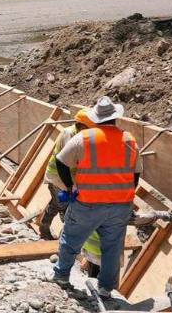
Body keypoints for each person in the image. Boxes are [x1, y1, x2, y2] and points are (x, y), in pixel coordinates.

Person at [50, 96, 141, 302]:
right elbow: (135, 175)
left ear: (96, 119)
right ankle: (105, 289)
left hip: (88, 202)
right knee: (112, 248)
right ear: (116, 118)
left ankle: (62, 277)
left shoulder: (85, 137)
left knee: (71, 239)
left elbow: (61, 161)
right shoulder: (130, 140)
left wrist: (70, 187)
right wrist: (124, 195)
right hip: (119, 206)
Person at [38, 109, 95, 240]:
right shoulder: (69, 134)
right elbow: (67, 161)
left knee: (57, 203)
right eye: (89, 128)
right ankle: (63, 235)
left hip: (68, 177)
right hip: (58, 176)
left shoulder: (81, 135)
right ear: (81, 125)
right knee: (64, 204)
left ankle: (44, 227)